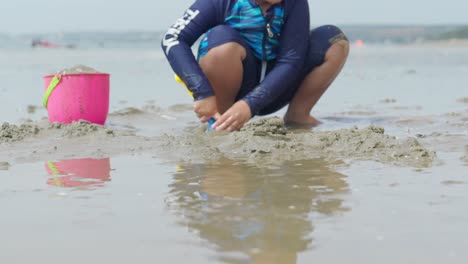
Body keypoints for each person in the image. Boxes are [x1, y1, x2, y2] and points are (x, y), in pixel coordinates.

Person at [161, 0, 349, 132]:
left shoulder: (294, 2)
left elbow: (291, 61)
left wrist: (250, 105)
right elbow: (173, 38)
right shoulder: (219, 1)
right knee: (221, 39)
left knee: (334, 39)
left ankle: (298, 116)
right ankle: (221, 120)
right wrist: (201, 92)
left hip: (277, 89)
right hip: (235, 86)